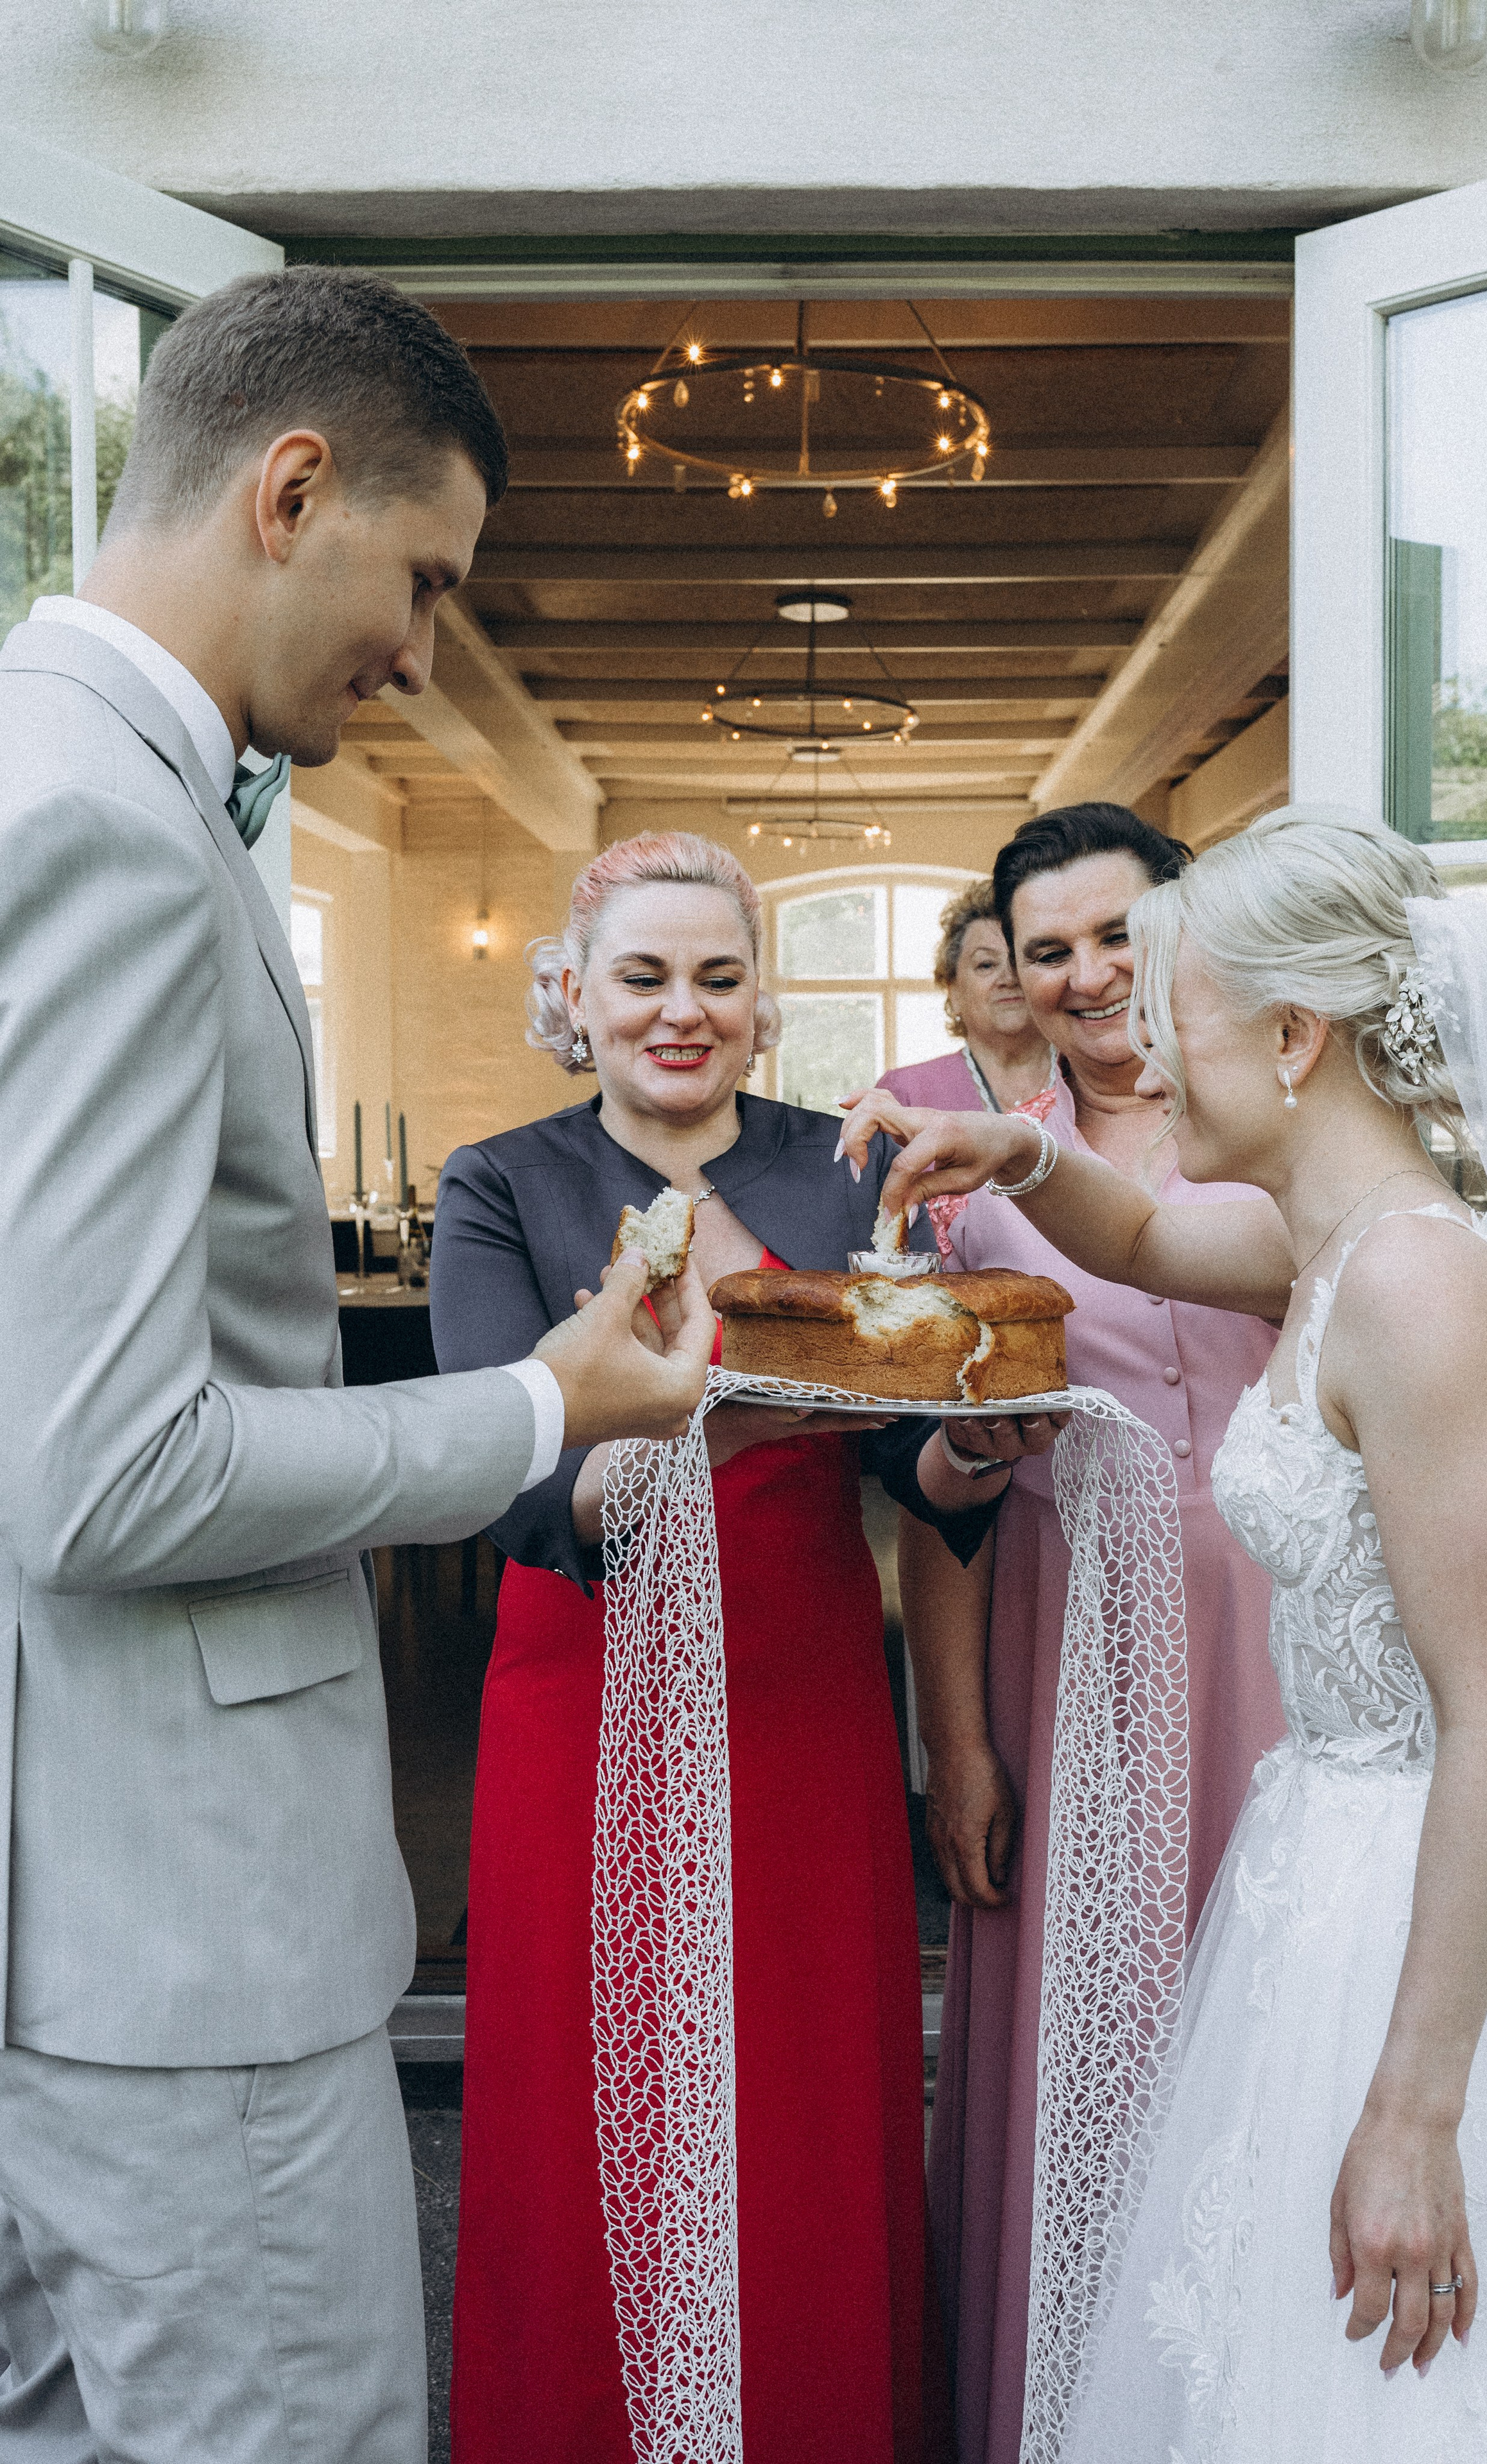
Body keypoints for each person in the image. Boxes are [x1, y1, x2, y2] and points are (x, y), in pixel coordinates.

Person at [0, 270, 712, 2464]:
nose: (422, 650)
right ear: (289, 490)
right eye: (426, 580)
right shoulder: (107, 834)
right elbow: (104, 1474)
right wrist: (545, 1406)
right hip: (188, 1929)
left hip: (65, 1907)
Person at [845, 805, 1487, 2460]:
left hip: (1438, 1874)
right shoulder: (1330, 1236)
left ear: (1290, 1037)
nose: (1139, 1050)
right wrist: (1021, 1154)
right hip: (1334, 1858)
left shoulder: (1420, 1288)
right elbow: (1135, 1236)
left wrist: (1417, 2108)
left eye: (1171, 1016)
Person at [429, 830, 1054, 2464]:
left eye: (717, 978)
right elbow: (521, 1481)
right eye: (643, 977)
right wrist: (737, 1401)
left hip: (795, 1687)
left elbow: (899, 1456)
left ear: (763, 1005)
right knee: (584, 2106)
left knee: (800, 2101)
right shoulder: (498, 1183)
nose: (680, 1012)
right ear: (575, 992)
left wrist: (973, 1447)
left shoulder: (837, 1168)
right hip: (581, 1681)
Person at [890, 803, 1284, 2464]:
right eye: (1046, 951)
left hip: (1281, 1643)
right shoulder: (978, 1203)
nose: (1086, 975)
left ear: (1184, 932)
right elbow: (934, 1490)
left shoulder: (1283, 1133)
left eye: (1116, 934)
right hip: (1073, 1660)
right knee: (1081, 2057)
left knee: (1278, 2015)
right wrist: (961, 1748)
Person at [877, 876, 1054, 1114]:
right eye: (986, 965)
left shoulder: (1096, 1082)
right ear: (953, 991)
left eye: (1020, 960)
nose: (1009, 979)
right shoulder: (905, 1094)